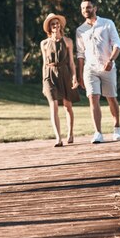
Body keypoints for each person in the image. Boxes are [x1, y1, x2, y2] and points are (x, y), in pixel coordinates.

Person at [76, 0, 120, 144]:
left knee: (111, 98)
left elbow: (117, 45)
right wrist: (79, 75)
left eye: (88, 7)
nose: (86, 10)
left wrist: (111, 60)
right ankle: (98, 132)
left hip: (107, 67)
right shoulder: (80, 30)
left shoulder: (107, 24)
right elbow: (80, 54)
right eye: (83, 8)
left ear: (95, 8)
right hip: (90, 69)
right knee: (93, 98)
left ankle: (117, 127)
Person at [40, 13, 80, 147]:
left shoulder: (68, 41)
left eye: (57, 23)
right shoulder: (44, 44)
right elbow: (44, 63)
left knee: (67, 106)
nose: (55, 26)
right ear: (49, 28)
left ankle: (70, 133)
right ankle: (58, 138)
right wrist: (43, 82)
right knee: (54, 105)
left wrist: (74, 77)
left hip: (64, 74)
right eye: (52, 24)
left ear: (60, 25)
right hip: (49, 75)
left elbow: (71, 62)